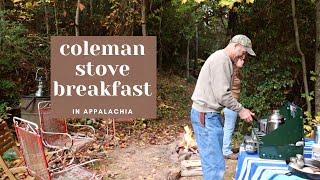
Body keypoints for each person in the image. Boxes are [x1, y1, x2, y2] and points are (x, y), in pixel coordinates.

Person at [190, 34, 256, 180]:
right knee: (215, 165)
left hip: (208, 115)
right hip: (206, 115)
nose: (244, 56)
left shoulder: (225, 60)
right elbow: (223, 95)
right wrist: (241, 110)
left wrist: (236, 65)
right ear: (235, 45)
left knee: (212, 162)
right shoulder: (221, 60)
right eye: (243, 52)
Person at [223, 62, 242, 160]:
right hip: (231, 103)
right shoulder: (230, 72)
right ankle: (226, 151)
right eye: (240, 59)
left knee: (228, 127)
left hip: (232, 103)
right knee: (229, 127)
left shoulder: (234, 72)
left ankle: (226, 148)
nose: (242, 61)